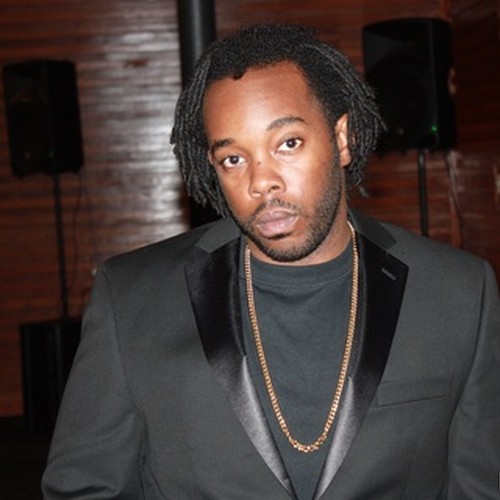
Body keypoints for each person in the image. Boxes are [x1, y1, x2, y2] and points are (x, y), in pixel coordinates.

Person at [42, 24, 500, 499]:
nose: (262, 182)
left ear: (342, 138)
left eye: (288, 143)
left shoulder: (458, 291)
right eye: (233, 159)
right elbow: (85, 488)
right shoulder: (132, 297)